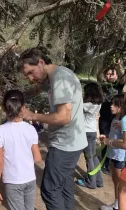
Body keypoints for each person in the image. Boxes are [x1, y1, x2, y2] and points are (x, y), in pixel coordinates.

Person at [19, 47, 87, 210]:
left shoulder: (60, 79)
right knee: (64, 188)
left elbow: (64, 117)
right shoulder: (51, 77)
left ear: (41, 63)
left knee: (49, 191)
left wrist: (32, 115)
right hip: (71, 142)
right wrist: (19, 95)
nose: (30, 78)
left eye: (30, 72)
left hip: (65, 145)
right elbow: (37, 89)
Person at [0, 90, 42, 210]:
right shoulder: (31, 129)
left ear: (4, 108)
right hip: (30, 179)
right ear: (23, 108)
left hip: (13, 181)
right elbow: (38, 158)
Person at [98, 61, 126, 175]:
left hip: (116, 117)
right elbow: (99, 75)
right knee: (105, 137)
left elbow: (124, 76)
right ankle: (105, 163)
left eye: (112, 74)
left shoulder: (119, 85)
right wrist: (105, 65)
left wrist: (118, 66)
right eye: (108, 74)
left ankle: (116, 161)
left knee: (116, 137)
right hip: (105, 117)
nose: (110, 76)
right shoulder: (103, 85)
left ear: (116, 75)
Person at [76, 82, 104, 189]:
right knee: (93, 157)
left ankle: (91, 182)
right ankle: (99, 181)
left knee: (89, 158)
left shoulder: (87, 105)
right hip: (92, 131)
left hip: (85, 132)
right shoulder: (98, 104)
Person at [100, 93, 126, 210]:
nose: (111, 106)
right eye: (112, 103)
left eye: (115, 104)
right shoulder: (116, 118)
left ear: (122, 106)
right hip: (113, 153)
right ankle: (116, 203)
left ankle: (119, 204)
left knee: (121, 185)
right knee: (115, 181)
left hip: (120, 156)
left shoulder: (124, 121)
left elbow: (124, 142)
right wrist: (105, 139)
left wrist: (109, 141)